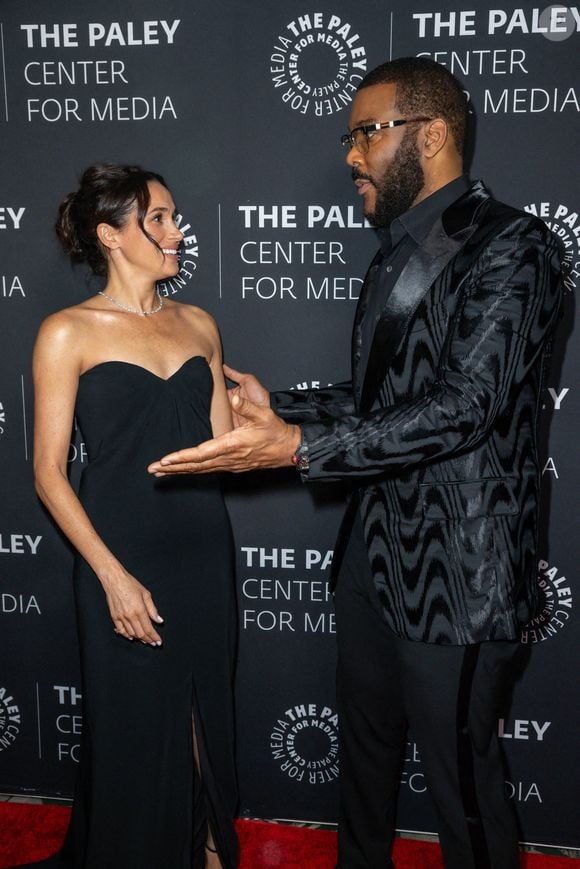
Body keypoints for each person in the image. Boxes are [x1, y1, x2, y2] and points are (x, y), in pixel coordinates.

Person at [148, 57, 563, 869]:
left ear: (433, 134)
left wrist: (301, 446)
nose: (349, 157)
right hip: (374, 563)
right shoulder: (394, 251)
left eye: (366, 134)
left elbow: (464, 405)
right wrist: (283, 410)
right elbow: (382, 398)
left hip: (460, 579)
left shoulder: (517, 246)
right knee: (363, 775)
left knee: (465, 795)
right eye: (350, 136)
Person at [31, 164, 238, 869]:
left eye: (173, 216)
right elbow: (48, 473)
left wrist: (260, 421)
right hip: (116, 552)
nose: (176, 232)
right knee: (134, 728)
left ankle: (209, 850)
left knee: (204, 714)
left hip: (203, 547)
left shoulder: (201, 324)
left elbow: (221, 449)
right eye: (158, 219)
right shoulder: (68, 332)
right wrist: (113, 576)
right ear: (109, 235)